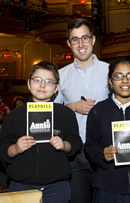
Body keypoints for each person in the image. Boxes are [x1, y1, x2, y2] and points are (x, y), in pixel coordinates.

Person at [0, 61, 82, 203]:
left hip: (57, 187)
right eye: (37, 80)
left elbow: (76, 143)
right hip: (21, 187)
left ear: (56, 88)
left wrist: (65, 145)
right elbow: (2, 150)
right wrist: (15, 148)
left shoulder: (66, 114)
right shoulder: (14, 116)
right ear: (29, 84)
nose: (42, 85)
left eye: (49, 81)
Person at [85, 57, 130, 203]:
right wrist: (102, 154)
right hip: (107, 187)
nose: (125, 80)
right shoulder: (98, 110)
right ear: (111, 82)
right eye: (118, 76)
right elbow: (90, 146)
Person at [54, 17, 109, 203]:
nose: (81, 43)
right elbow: (52, 112)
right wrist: (73, 107)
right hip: (74, 154)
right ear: (69, 44)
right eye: (75, 39)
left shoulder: (110, 71)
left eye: (85, 37)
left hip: (106, 151)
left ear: (93, 39)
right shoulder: (60, 76)